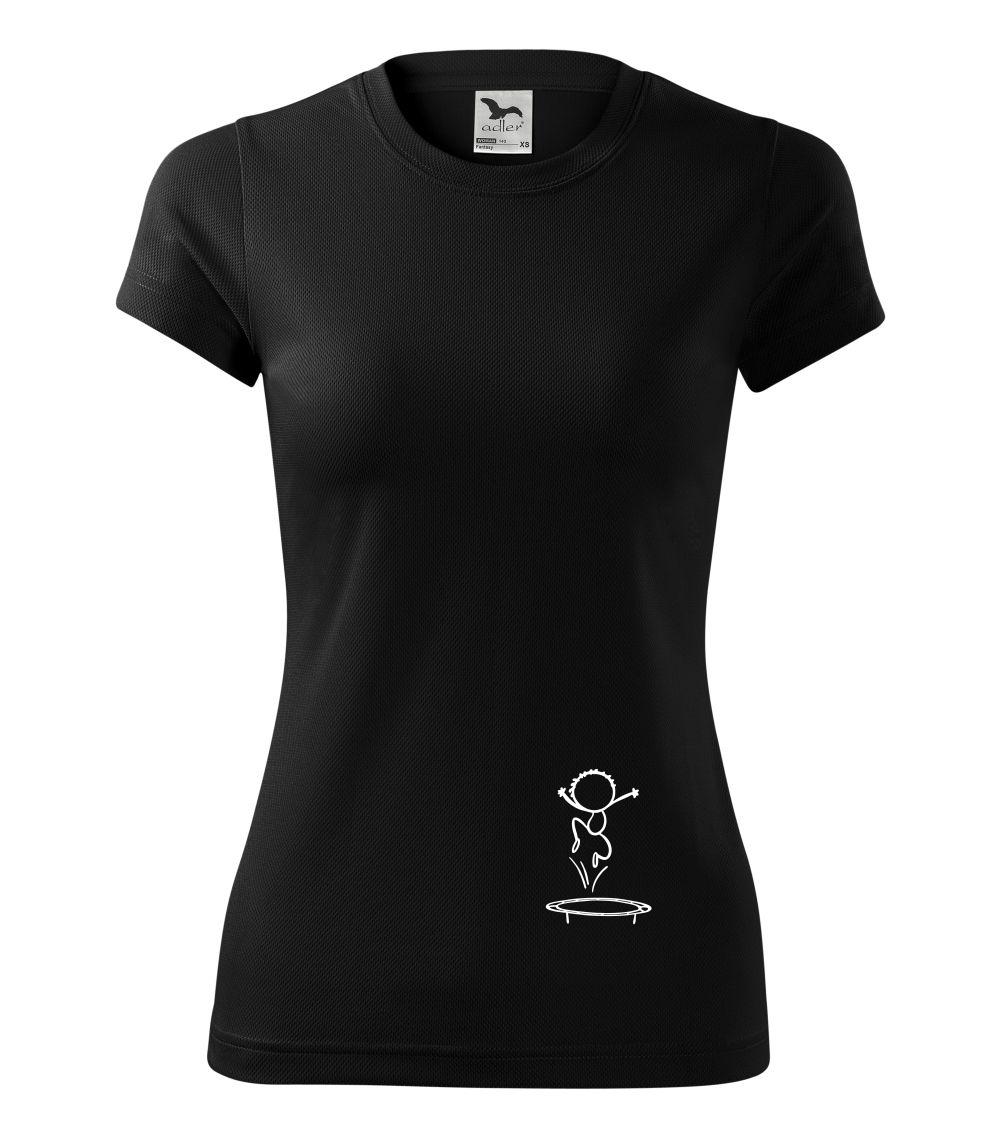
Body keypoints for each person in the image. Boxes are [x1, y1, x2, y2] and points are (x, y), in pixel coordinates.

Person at [557, 769, 638, 891]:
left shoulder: (604, 806)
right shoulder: (585, 809)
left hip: (596, 837)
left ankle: (593, 857)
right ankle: (582, 846)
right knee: (578, 826)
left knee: (600, 852)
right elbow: (574, 804)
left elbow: (618, 800)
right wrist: (563, 794)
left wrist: (631, 793)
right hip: (590, 836)